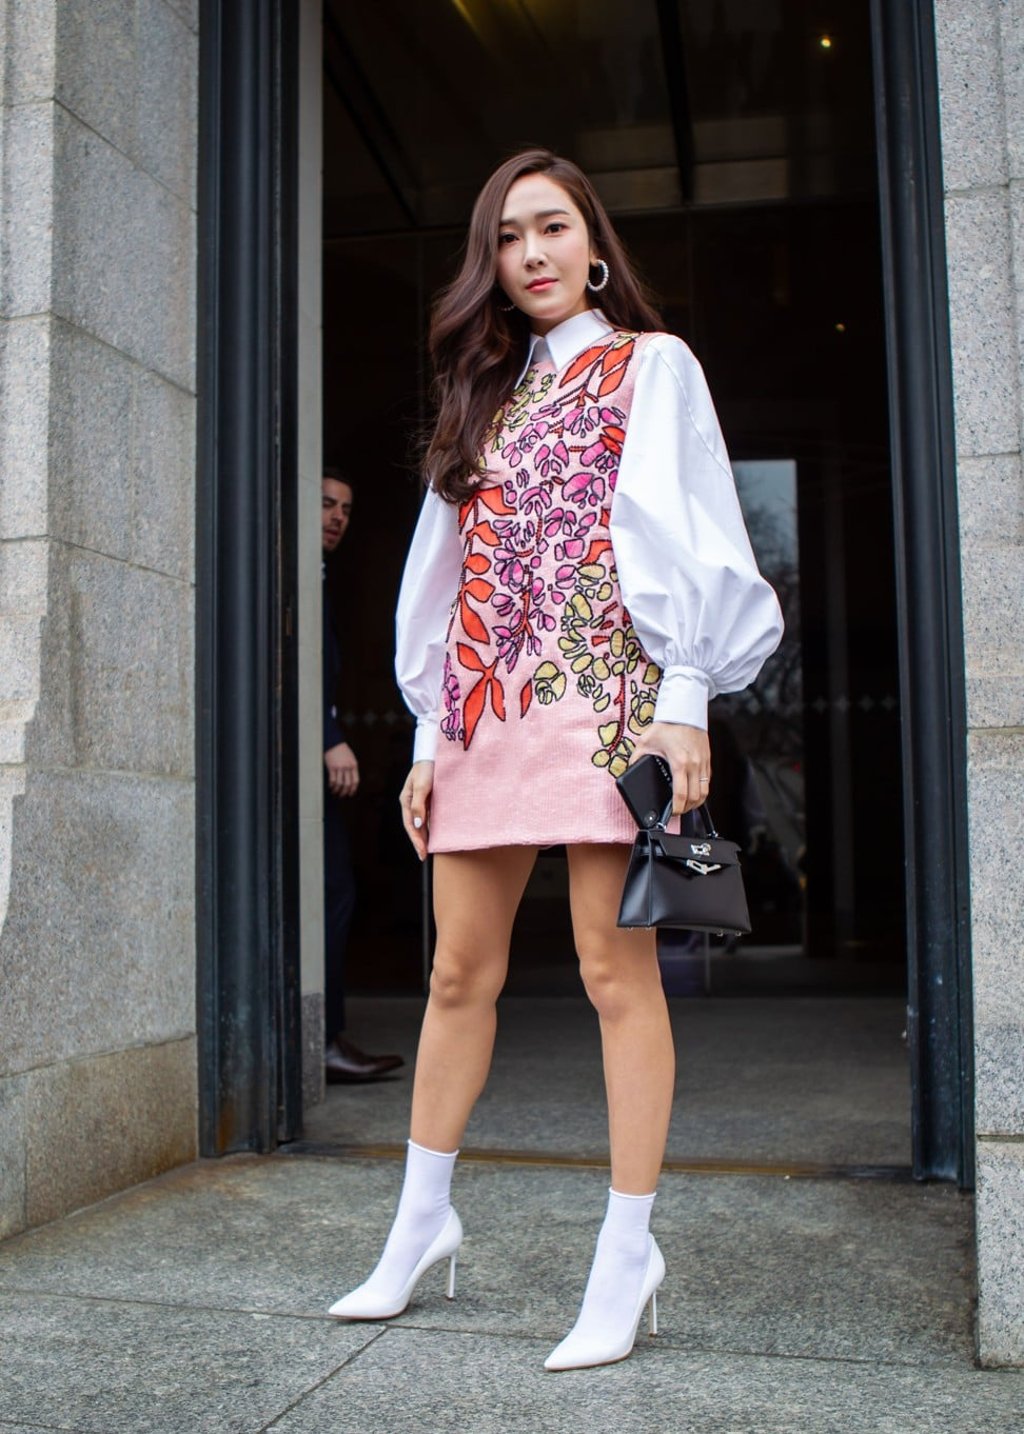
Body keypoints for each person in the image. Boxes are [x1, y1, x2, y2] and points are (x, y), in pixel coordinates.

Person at [327, 150, 783, 1369]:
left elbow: (695, 528)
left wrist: (683, 697)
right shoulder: (481, 397)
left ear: (592, 244)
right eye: (506, 238)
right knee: (456, 975)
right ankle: (418, 1228)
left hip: (605, 700)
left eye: (550, 228)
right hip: (484, 708)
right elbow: (445, 581)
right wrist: (428, 734)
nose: (529, 254)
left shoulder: (652, 365)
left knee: (610, 971)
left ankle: (628, 1254)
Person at [321, 470, 404, 1083]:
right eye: (325, 503)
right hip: (288, 769)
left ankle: (323, 1036)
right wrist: (330, 739)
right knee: (331, 892)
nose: (336, 517)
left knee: (335, 891)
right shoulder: (288, 572)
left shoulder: (319, 579)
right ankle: (319, 1038)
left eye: (345, 508)